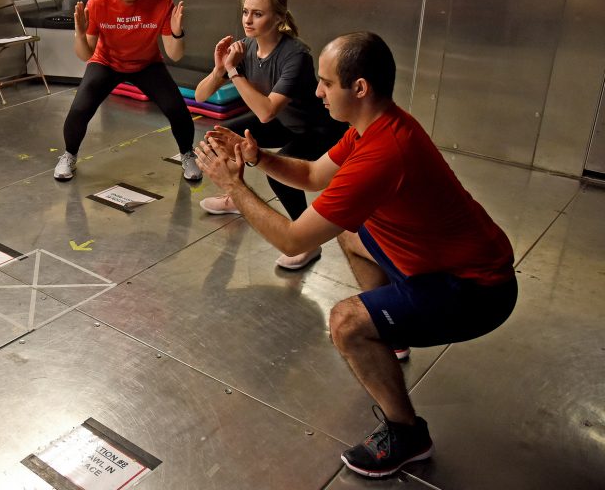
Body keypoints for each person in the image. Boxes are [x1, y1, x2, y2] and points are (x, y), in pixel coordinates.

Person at [195, 32, 517, 478]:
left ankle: (408, 435)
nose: (317, 91)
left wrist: (233, 186)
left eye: (326, 82)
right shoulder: (371, 127)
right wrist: (259, 158)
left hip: (475, 290)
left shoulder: (385, 152)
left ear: (359, 88)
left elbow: (293, 241)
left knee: (346, 323)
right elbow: (310, 174)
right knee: (351, 232)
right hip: (438, 263)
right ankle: (392, 333)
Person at [195, 0, 347, 270]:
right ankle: (235, 196)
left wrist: (233, 71)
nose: (248, 20)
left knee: (280, 175)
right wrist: (219, 69)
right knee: (221, 136)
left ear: (278, 18)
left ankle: (307, 241)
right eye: (245, 12)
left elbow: (266, 112)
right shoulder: (247, 47)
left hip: (318, 130)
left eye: (257, 14)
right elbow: (202, 95)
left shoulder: (295, 55)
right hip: (286, 123)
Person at [54, 0, 200, 182]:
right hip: (107, 62)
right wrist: (80, 33)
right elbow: (85, 55)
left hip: (146, 64)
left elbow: (175, 54)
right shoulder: (99, 1)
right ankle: (69, 155)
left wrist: (176, 31)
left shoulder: (161, 1)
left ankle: (187, 155)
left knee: (177, 109)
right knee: (79, 109)